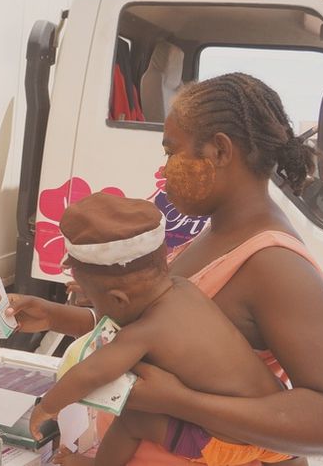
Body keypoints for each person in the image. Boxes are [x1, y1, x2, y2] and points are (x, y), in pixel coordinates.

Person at [9, 73, 323, 463]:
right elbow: (162, 332)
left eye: (171, 151)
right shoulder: (212, 232)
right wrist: (55, 316)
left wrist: (181, 402)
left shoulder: (275, 265)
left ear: (219, 151)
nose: (165, 170)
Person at [28, 192, 296, 465]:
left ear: (119, 299)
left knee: (132, 420)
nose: (97, 309)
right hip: (276, 428)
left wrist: (48, 407)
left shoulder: (145, 332)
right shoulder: (186, 289)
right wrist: (97, 292)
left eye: (96, 301)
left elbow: (93, 371)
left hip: (228, 443)